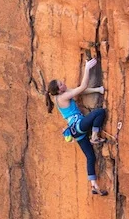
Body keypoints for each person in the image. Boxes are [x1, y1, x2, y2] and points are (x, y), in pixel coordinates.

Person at [45, 54, 110, 195]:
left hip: (75, 131)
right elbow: (83, 86)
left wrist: (97, 90)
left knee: (90, 157)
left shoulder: (60, 96)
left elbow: (81, 91)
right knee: (100, 112)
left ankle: (94, 185)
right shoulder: (63, 97)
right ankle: (94, 136)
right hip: (78, 125)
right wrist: (87, 68)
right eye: (61, 84)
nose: (64, 84)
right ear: (58, 90)